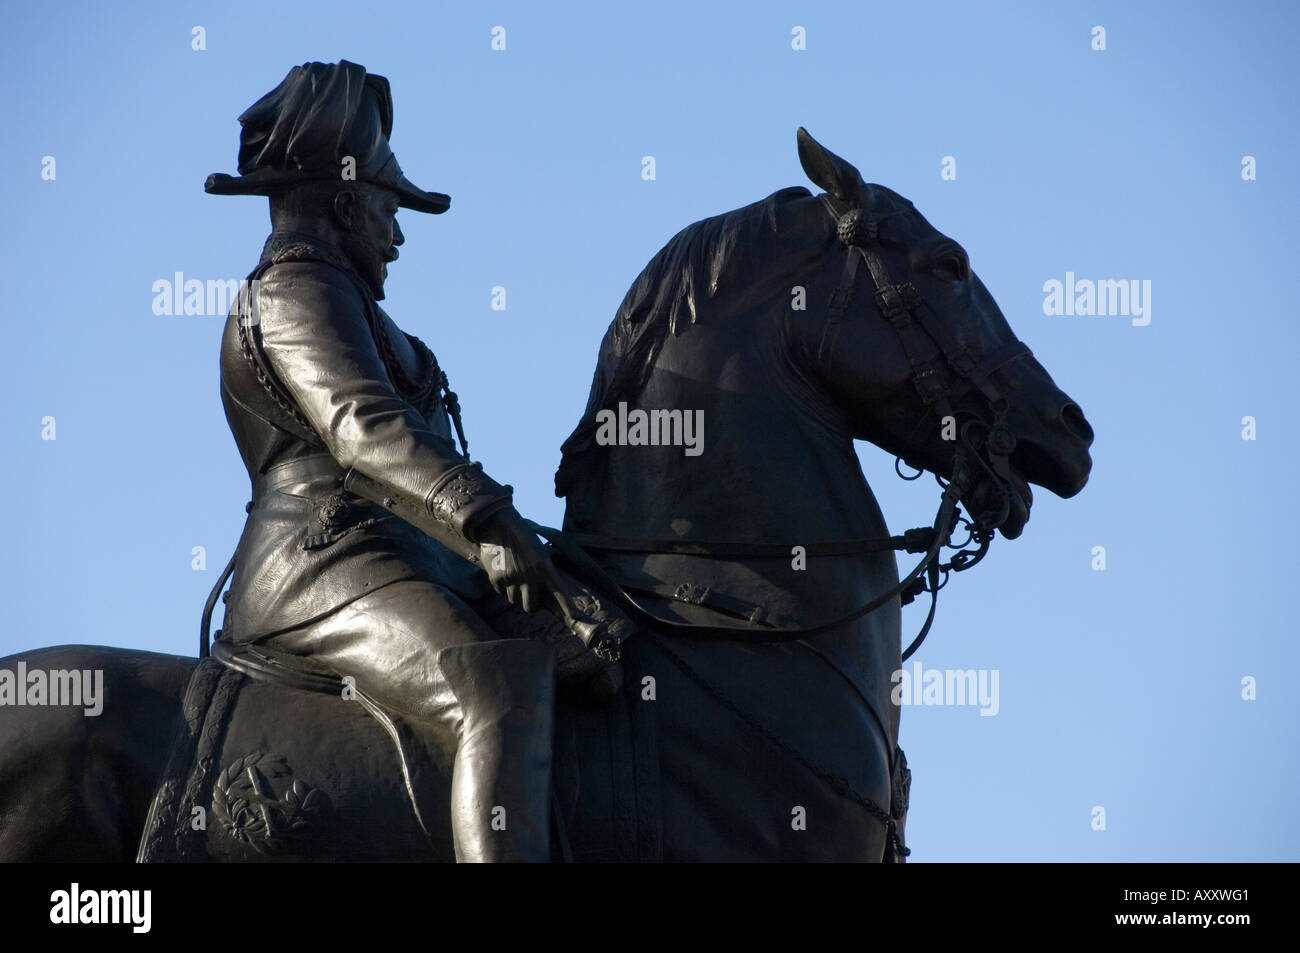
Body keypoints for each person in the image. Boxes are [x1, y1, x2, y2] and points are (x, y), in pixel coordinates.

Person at [207, 60, 595, 861]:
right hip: (323, 567)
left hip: (411, 560)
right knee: (495, 687)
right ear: (347, 204)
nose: (400, 231)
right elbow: (364, 427)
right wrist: (486, 517)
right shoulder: (291, 293)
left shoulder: (353, 303)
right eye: (390, 209)